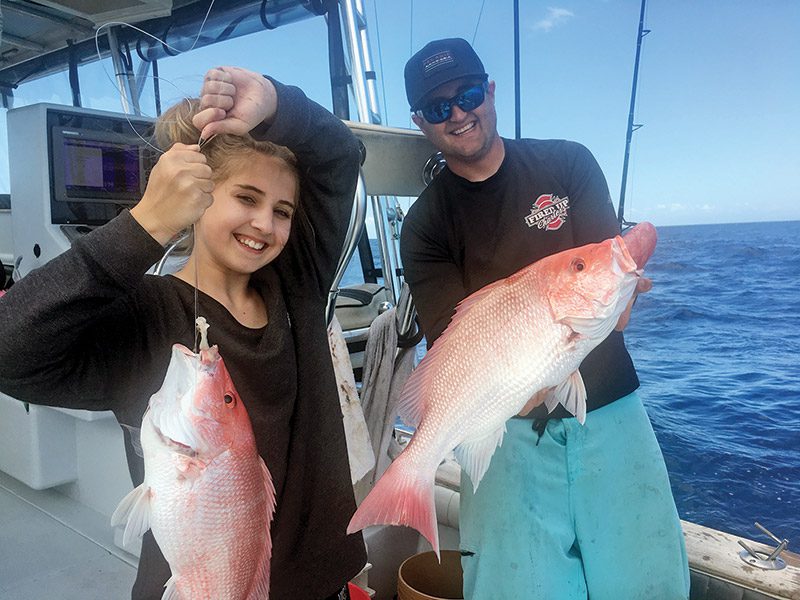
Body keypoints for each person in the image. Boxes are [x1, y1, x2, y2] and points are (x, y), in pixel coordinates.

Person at [0, 66, 366, 599]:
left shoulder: (298, 284)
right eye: (246, 198)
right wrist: (145, 223)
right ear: (195, 196)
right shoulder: (144, 319)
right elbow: (10, 349)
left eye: (282, 210)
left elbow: (340, 156)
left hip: (316, 583)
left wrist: (275, 101)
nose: (265, 223)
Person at [399, 38, 690, 599]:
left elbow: (612, 287)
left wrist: (621, 288)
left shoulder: (567, 163)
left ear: (489, 90)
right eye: (439, 108)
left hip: (609, 409)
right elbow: (452, 345)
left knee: (647, 580)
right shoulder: (424, 227)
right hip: (504, 430)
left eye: (466, 94)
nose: (459, 114)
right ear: (421, 121)